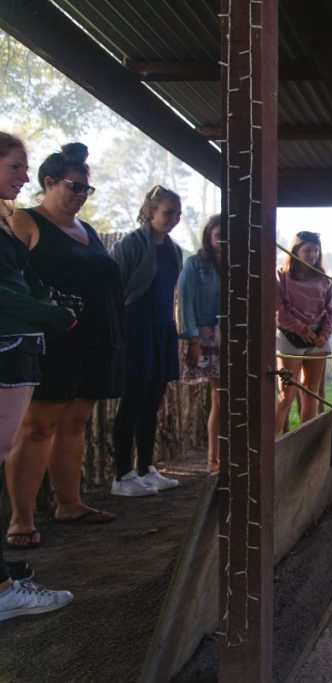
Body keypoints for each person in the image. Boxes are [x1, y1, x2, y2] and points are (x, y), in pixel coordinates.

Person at [5, 142, 123, 551]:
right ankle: (20, 519)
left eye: (86, 191)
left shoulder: (87, 231)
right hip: (52, 340)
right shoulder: (25, 221)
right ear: (48, 182)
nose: (80, 196)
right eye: (74, 187)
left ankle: (69, 503)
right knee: (38, 427)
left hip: (94, 338)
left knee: (75, 422)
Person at [0, 132, 75, 621]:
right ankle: (5, 590)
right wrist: (55, 316)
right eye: (16, 167)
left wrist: (46, 299)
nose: (26, 176)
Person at [109, 186, 184, 496]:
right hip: (135, 329)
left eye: (178, 214)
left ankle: (146, 469)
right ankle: (122, 475)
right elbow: (114, 289)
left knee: (152, 402)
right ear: (151, 210)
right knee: (133, 401)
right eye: (168, 212)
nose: (173, 219)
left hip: (162, 329)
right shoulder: (130, 246)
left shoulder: (173, 250)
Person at [274, 230, 332, 433]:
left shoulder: (324, 280)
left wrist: (323, 335)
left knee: (311, 391)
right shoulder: (282, 276)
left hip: (317, 338)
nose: (312, 255)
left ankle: (305, 440)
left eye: (316, 251)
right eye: (308, 250)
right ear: (296, 251)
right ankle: (273, 444)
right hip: (290, 336)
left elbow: (331, 310)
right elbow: (278, 308)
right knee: (287, 393)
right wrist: (300, 329)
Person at [178, 214, 223, 472]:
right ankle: (213, 460)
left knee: (234, 397)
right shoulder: (195, 265)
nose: (224, 242)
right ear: (209, 235)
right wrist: (193, 341)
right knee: (220, 397)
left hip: (237, 336)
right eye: (219, 236)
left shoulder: (241, 264)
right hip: (208, 336)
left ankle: (230, 455)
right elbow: (186, 304)